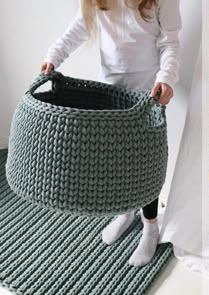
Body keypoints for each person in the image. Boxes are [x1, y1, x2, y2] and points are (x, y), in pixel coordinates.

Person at [41, 0, 182, 267]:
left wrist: (167, 77)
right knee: (115, 164)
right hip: (109, 91)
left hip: (146, 95)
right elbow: (77, 30)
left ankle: (150, 226)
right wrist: (53, 56)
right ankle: (125, 212)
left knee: (145, 167)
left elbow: (170, 42)